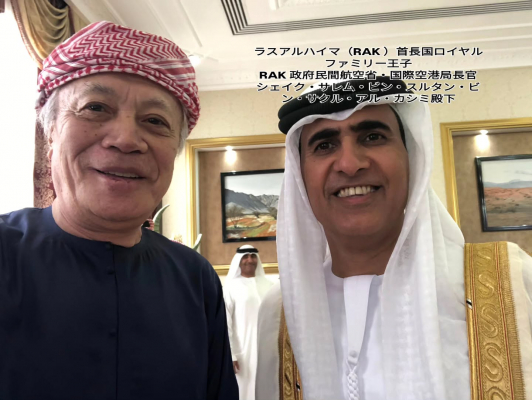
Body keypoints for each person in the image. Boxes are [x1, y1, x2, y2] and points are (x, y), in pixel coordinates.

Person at [0, 21, 238, 400]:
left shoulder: (194, 278)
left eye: (155, 121)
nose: (126, 139)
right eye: (95, 108)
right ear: (50, 132)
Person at [256, 78, 532, 400]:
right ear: (301, 177)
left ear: (410, 158)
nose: (350, 164)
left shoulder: (510, 280)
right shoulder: (280, 312)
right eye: (324, 145)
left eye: (372, 137)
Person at [224, 245, 274, 400]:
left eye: (253, 256)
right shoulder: (230, 287)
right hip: (243, 351)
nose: (250, 260)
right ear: (239, 260)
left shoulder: (270, 286)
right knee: (244, 388)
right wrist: (231, 354)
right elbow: (226, 324)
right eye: (245, 256)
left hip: (269, 348)